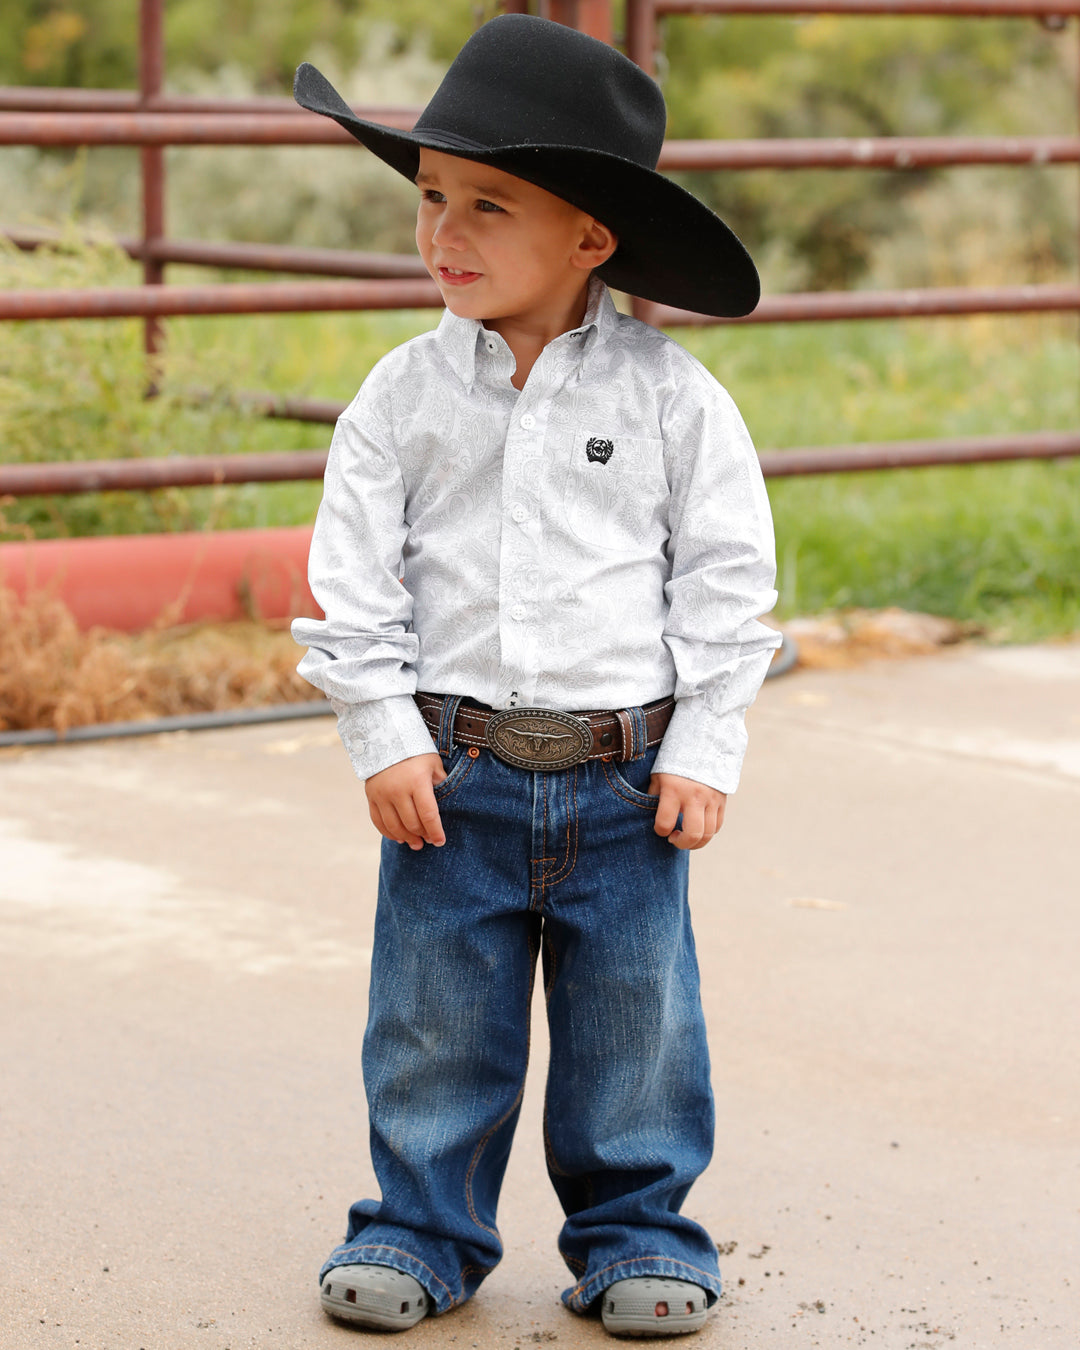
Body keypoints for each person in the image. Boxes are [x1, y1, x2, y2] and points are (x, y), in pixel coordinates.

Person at [290, 13, 780, 1338]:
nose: (442, 229)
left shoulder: (678, 401)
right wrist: (381, 729)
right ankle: (421, 1225)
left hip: (627, 779)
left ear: (589, 238)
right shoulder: (399, 399)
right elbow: (355, 581)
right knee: (435, 1023)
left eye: (487, 205)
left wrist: (706, 744)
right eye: (432, 197)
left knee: (636, 1030)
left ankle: (635, 1233)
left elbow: (725, 586)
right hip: (452, 770)